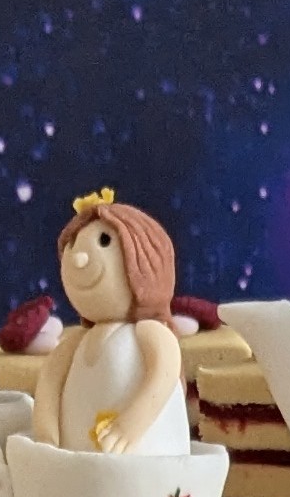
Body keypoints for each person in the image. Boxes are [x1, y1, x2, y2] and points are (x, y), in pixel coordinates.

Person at [30, 193, 188, 456]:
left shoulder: (149, 332)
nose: (79, 259)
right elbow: (49, 381)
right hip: (75, 468)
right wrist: (46, 435)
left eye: (104, 241)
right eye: (73, 245)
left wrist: (130, 425)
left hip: (148, 462)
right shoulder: (75, 341)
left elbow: (164, 373)